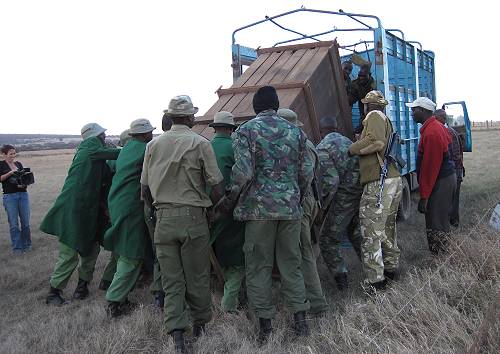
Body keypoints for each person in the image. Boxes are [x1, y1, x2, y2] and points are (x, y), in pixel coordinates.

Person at [216, 86, 313, 343]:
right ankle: (301, 322)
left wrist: (229, 200)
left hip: (258, 211)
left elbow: (243, 173)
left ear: (256, 107)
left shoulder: (246, 131)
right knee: (291, 264)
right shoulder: (296, 132)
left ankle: (266, 327)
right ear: (276, 104)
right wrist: (295, 196)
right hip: (291, 209)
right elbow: (306, 172)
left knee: (258, 267)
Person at [141, 95, 223, 353]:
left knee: (171, 279)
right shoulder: (201, 143)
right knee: (197, 276)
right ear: (190, 118)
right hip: (192, 219)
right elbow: (217, 187)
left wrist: (156, 210)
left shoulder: (152, 145)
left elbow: (144, 189)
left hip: (163, 218)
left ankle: (177, 333)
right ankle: (200, 325)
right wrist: (217, 208)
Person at [41, 123, 120, 305]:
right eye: (102, 134)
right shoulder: (90, 146)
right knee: (69, 252)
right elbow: (115, 154)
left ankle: (82, 286)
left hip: (89, 211)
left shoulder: (95, 154)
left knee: (91, 249)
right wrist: (135, 148)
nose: (105, 137)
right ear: (95, 136)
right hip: (74, 210)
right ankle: (54, 292)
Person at [349, 91, 403, 291]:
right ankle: (391, 270)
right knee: (387, 229)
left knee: (371, 232)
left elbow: (376, 142)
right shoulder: (385, 118)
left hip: (379, 183)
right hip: (392, 180)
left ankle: (375, 282)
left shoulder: (373, 116)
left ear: (367, 106)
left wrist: (353, 148)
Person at [277, 108, 328, 315]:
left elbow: (304, 180)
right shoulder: (304, 142)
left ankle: (316, 304)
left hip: (299, 202)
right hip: (304, 201)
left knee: (302, 252)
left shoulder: (299, 144)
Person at [103, 119, 155, 317]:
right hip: (131, 206)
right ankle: (114, 301)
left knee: (124, 249)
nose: (151, 135)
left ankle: (116, 292)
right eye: (150, 132)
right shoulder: (145, 148)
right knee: (131, 255)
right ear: (144, 134)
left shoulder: (126, 148)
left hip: (117, 202)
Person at [316, 117, 363, 290]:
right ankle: (375, 274)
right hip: (360, 195)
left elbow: (331, 182)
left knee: (327, 239)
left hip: (343, 198)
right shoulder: (348, 142)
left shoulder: (323, 148)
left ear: (321, 131)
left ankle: (341, 280)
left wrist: (323, 207)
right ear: (336, 127)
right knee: (357, 235)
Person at [406, 98, 456, 254]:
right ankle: (443, 255)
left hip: (440, 181)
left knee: (436, 222)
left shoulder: (432, 132)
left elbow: (430, 168)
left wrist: (424, 197)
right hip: (444, 178)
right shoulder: (435, 127)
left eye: (414, 110)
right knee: (440, 219)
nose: (412, 113)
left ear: (423, 111)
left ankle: (441, 259)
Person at [208, 111, 246, 313]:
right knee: (237, 262)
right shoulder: (235, 147)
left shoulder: (205, 146)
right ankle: (229, 305)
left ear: (215, 128)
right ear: (232, 129)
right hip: (229, 211)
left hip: (205, 212)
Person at [99, 128, 133, 291]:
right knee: (124, 247)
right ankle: (111, 282)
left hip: (112, 205)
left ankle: (106, 279)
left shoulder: (114, 158)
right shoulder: (126, 157)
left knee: (118, 246)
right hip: (122, 205)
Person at [145, 113, 173, 310]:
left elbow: (144, 188)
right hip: (178, 210)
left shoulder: (152, 147)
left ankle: (159, 295)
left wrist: (151, 207)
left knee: (160, 253)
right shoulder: (192, 143)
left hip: (154, 207)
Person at [434, 109, 464, 227]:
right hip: (456, 170)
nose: (434, 121)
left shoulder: (447, 132)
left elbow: (453, 155)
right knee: (453, 200)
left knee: (450, 200)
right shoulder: (450, 130)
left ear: (442, 118)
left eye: (436, 118)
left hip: (454, 170)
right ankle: (453, 222)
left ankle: (451, 224)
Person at [0, 144, 32, 254]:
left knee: (26, 223)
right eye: (10, 154)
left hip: (23, 195)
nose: (13, 155)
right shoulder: (1, 165)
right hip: (10, 196)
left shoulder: (19, 164)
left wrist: (25, 184)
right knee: (14, 224)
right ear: (3, 154)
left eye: (14, 153)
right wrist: (10, 173)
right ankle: (17, 248)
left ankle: (27, 245)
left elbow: (24, 178)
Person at [351, 63, 377, 133]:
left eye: (364, 76)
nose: (361, 78)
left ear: (369, 75)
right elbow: (350, 100)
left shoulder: (372, 85)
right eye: (359, 75)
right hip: (361, 100)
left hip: (370, 103)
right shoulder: (355, 83)